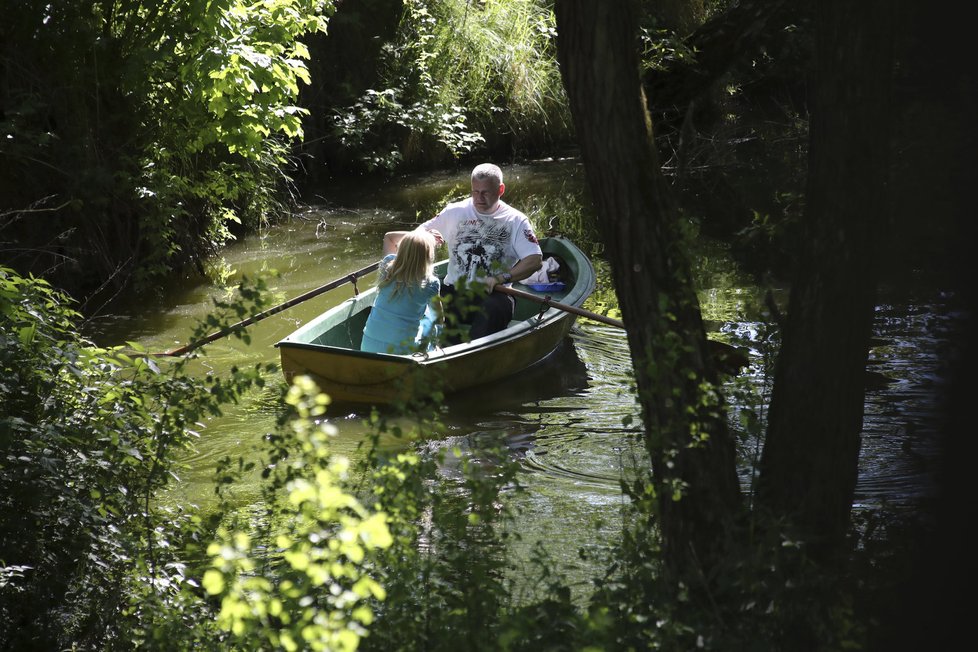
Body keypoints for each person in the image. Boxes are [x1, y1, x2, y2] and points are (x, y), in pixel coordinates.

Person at [384, 163, 543, 342]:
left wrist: (500, 278)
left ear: (501, 189)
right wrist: (426, 235)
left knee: (493, 311)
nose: (479, 198)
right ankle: (418, 349)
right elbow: (416, 236)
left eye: (486, 192)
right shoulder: (455, 211)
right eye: (475, 191)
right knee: (420, 304)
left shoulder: (515, 220)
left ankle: (472, 356)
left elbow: (534, 260)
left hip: (494, 294)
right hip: (454, 292)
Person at [360, 229, 441, 354]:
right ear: (428, 255)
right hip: (401, 353)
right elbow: (439, 318)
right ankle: (434, 350)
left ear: (401, 249)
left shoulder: (387, 266)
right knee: (431, 318)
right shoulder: (431, 283)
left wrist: (421, 233)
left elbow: (389, 237)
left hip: (368, 348)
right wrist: (426, 237)